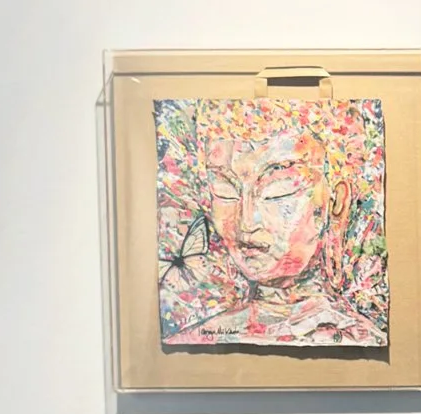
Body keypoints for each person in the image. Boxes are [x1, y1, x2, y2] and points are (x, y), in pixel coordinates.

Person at [161, 100, 385, 346]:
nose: (246, 222)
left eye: (278, 189)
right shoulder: (197, 339)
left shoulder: (361, 339)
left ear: (335, 201)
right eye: (225, 190)